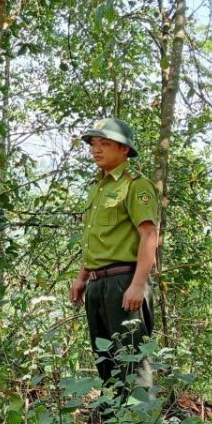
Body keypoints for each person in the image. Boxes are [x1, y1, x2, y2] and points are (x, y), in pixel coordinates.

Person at [68, 118, 159, 401]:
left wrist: (137, 284)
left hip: (124, 282)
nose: (96, 150)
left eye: (104, 144)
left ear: (124, 149)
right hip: (97, 285)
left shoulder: (135, 186)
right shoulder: (97, 187)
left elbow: (148, 235)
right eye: (94, 145)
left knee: (132, 361)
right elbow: (95, 238)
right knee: (105, 360)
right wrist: (83, 277)